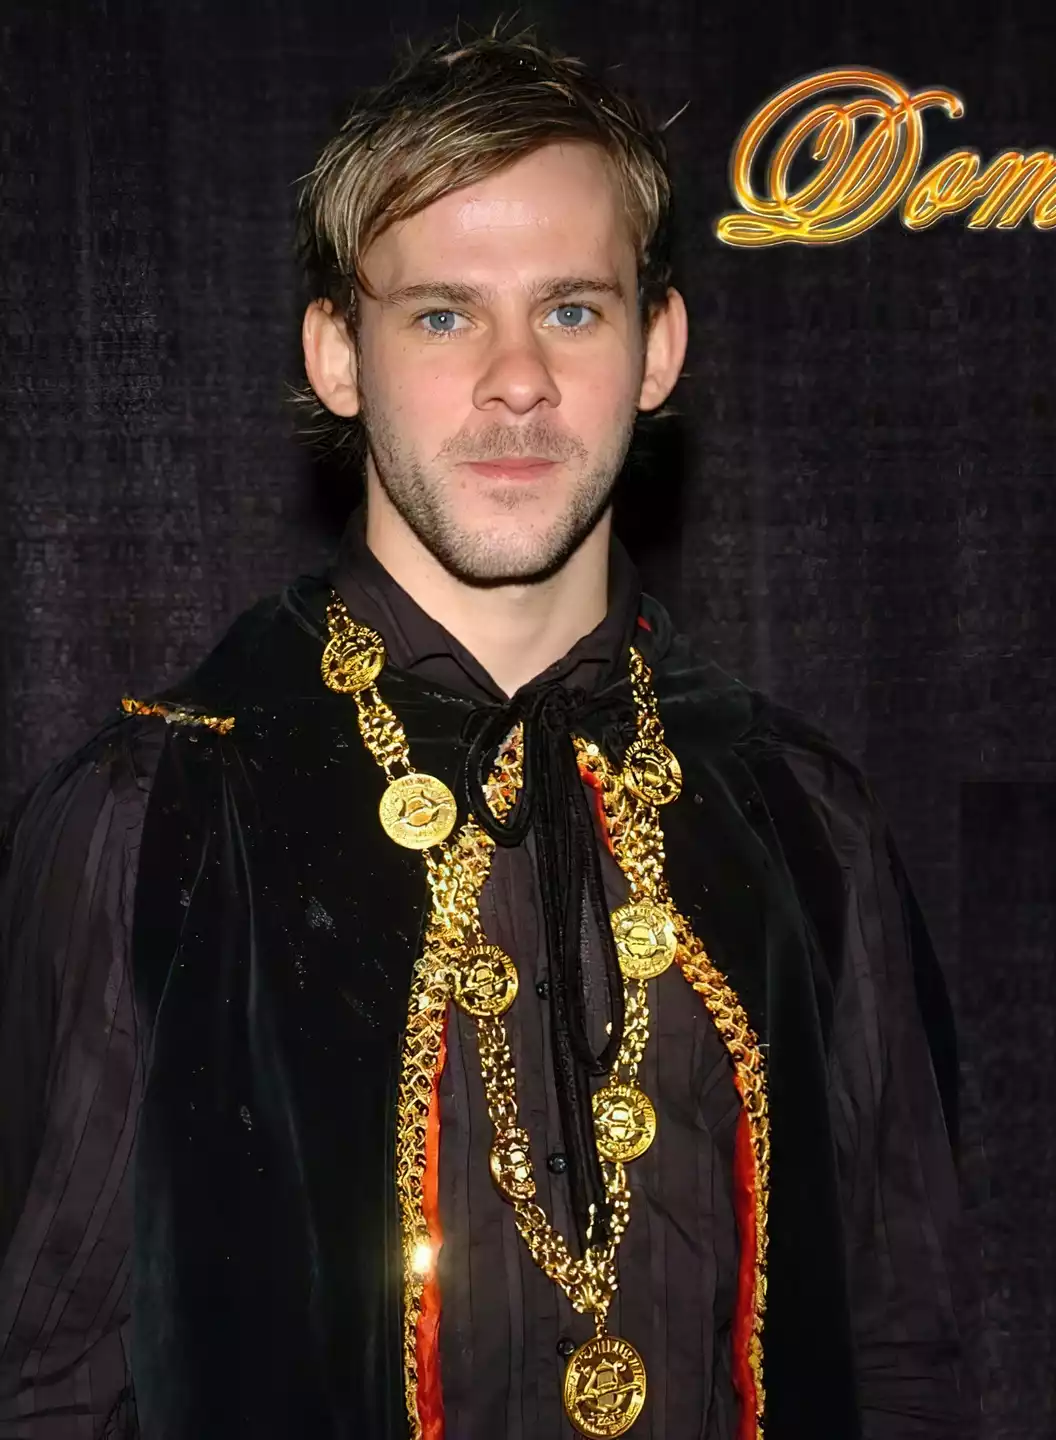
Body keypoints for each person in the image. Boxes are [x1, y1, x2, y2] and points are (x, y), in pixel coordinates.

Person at [0, 23, 972, 1440]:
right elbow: (46, 1385)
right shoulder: (157, 814)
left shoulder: (800, 818)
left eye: (572, 310)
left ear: (658, 348)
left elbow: (903, 1361)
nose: (519, 379)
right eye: (444, 315)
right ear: (337, 354)